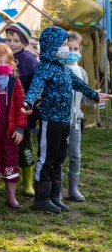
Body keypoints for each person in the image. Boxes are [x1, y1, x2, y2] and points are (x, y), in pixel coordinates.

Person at [21, 26, 110, 213]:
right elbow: (35, 88)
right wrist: (28, 102)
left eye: (66, 45)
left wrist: (95, 95)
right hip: (50, 121)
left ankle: (55, 196)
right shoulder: (44, 68)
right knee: (46, 158)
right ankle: (41, 199)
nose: (65, 49)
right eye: (62, 45)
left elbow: (79, 84)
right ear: (51, 46)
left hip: (65, 120)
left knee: (60, 157)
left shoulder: (63, 68)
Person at [0, 43, 27, 208]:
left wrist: (19, 128)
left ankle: (11, 197)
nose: (3, 65)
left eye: (6, 62)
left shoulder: (13, 81)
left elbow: (21, 104)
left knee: (11, 158)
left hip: (9, 130)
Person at [5, 22, 38, 196]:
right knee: (5, 148)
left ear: (25, 43)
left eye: (16, 40)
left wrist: (30, 121)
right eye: (8, 39)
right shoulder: (1, 57)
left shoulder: (29, 61)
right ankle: (5, 177)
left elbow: (34, 92)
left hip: (22, 114)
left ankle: (28, 182)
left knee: (24, 148)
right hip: (4, 113)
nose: (11, 44)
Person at [64, 31, 91, 201]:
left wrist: (96, 96)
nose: (72, 52)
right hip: (59, 121)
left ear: (80, 50)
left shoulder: (81, 72)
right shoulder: (58, 70)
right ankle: (56, 188)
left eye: (76, 49)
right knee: (58, 156)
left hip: (75, 121)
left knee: (75, 155)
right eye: (69, 48)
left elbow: (86, 99)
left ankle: (73, 189)